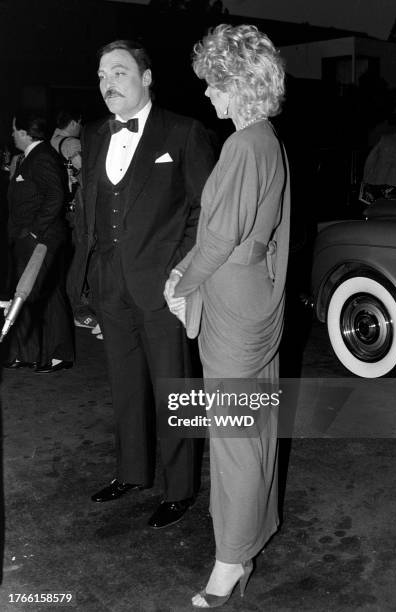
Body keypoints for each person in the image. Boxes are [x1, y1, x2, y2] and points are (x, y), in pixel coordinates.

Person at [165, 24, 290, 607]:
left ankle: (229, 563)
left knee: (234, 439)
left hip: (232, 306)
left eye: (215, 83)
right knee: (255, 431)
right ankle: (250, 539)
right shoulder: (268, 139)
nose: (208, 95)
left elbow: (216, 240)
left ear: (238, 83)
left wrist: (181, 282)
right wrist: (183, 272)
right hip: (256, 298)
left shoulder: (243, 146)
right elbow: (252, 236)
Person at [80, 39, 215, 528]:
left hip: (163, 288)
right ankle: (132, 472)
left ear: (147, 77)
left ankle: (180, 488)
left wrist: (178, 270)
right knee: (125, 386)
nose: (107, 83)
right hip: (110, 284)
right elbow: (87, 213)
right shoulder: (95, 134)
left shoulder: (184, 132)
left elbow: (206, 211)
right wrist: (86, 282)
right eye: (100, 75)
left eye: (117, 72)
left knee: (173, 389)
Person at [3, 110, 74, 373]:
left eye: (14, 131)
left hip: (41, 240)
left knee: (48, 294)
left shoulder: (42, 157)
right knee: (25, 295)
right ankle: (28, 353)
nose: (12, 135)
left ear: (24, 133)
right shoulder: (28, 158)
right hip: (26, 239)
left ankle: (58, 354)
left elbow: (55, 196)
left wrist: (33, 231)